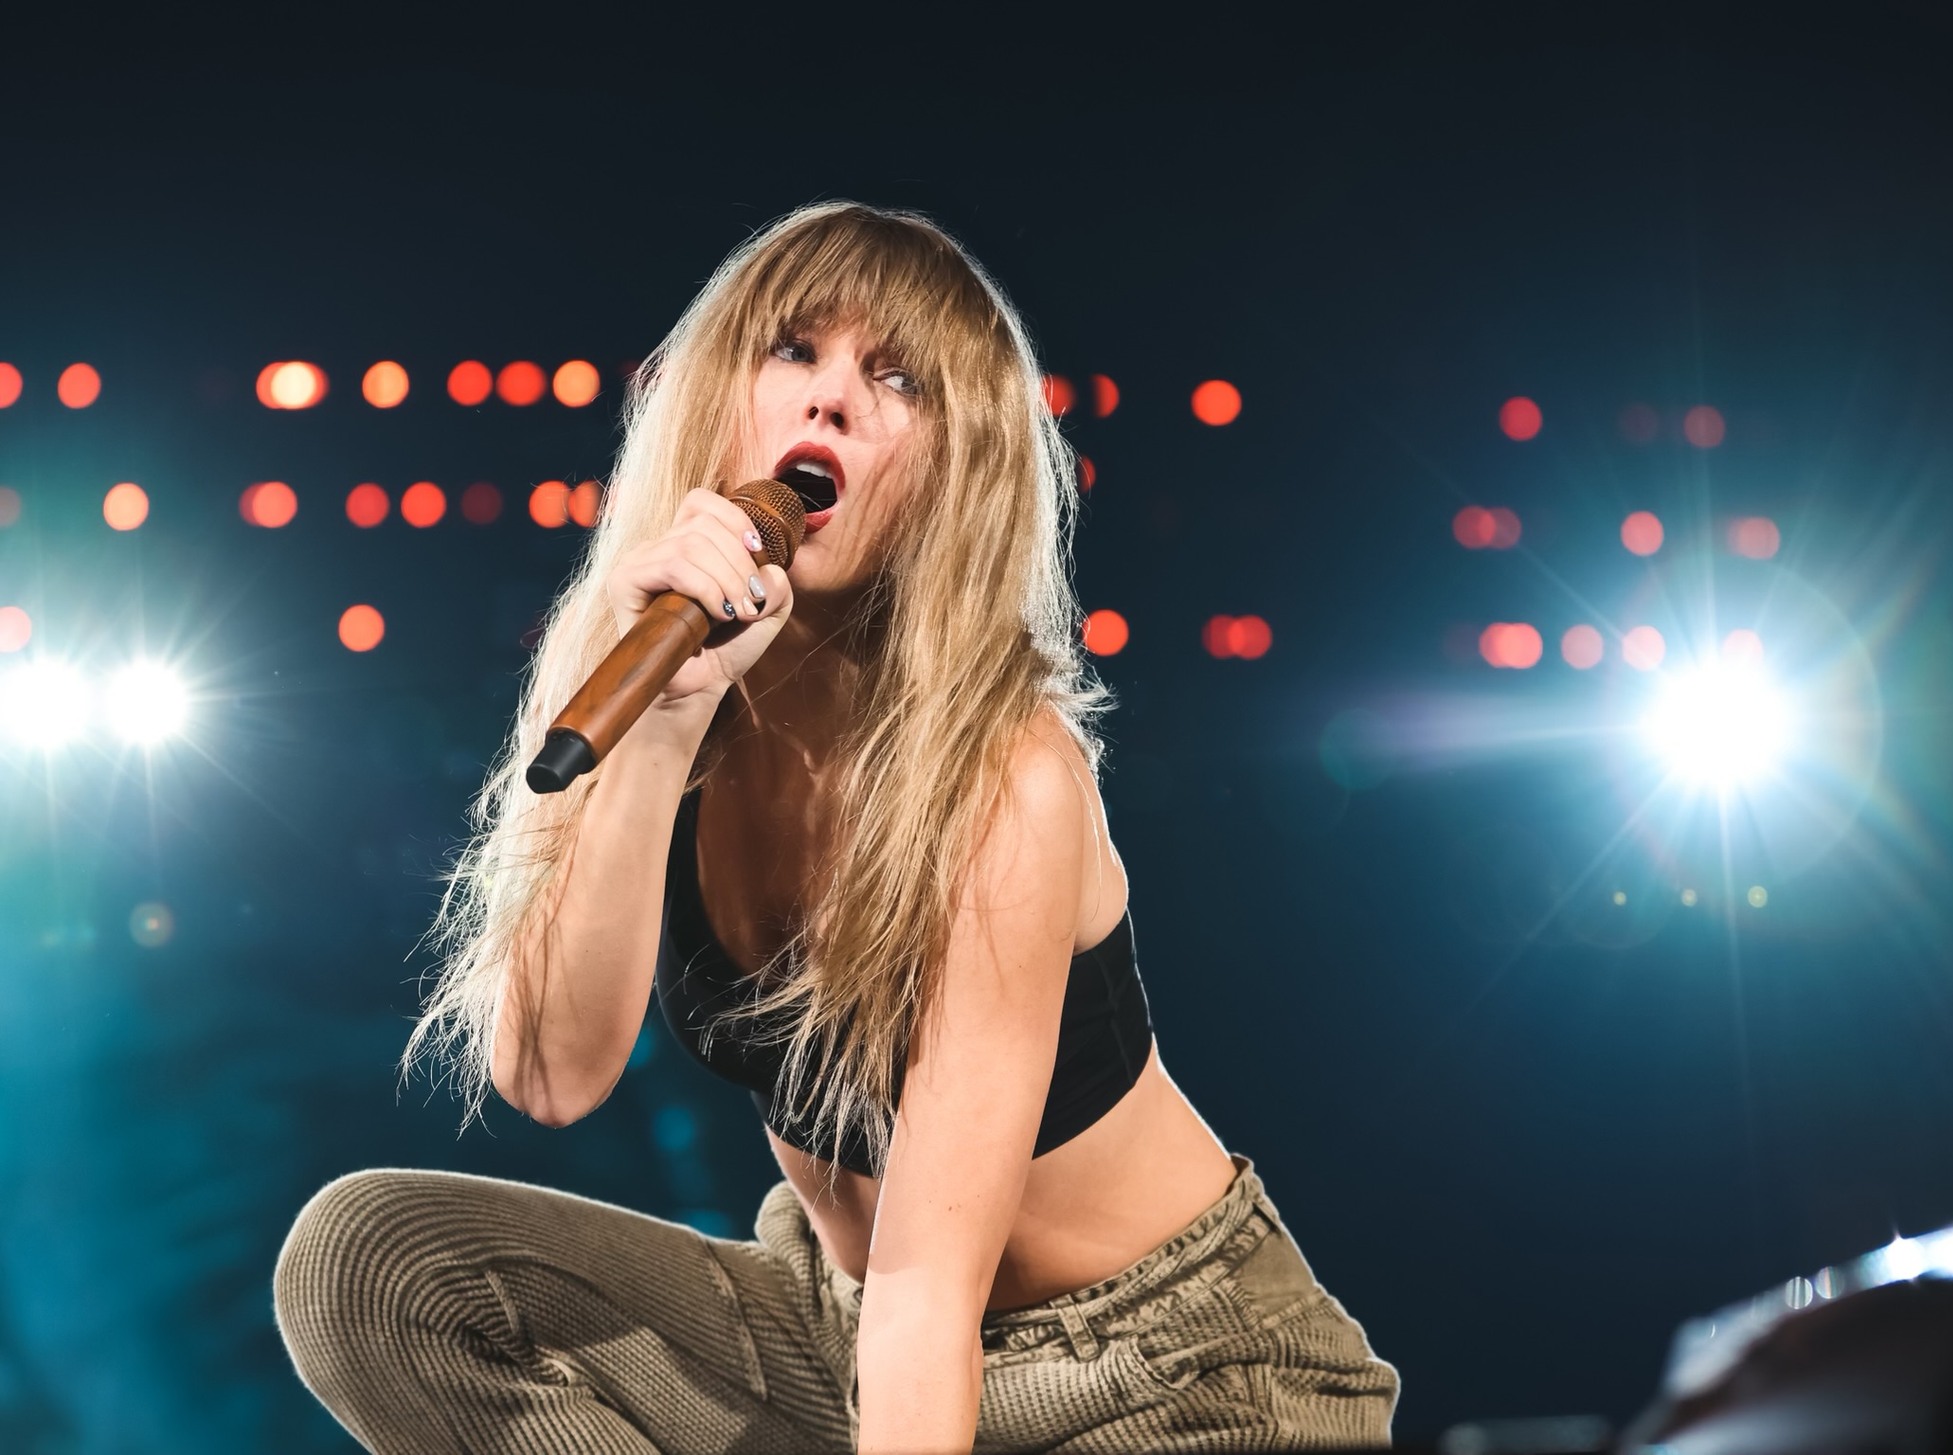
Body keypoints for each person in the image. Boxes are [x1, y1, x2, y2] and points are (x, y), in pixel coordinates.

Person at [274, 202, 1398, 1453]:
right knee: (370, 1263)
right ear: (719, 395)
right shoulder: (641, 673)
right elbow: (549, 1074)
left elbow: (929, 1293)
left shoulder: (1005, 780)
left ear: (954, 469)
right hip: (843, 1327)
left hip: (1161, 1373)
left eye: (896, 380)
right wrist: (661, 730)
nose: (832, 401)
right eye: (792, 350)